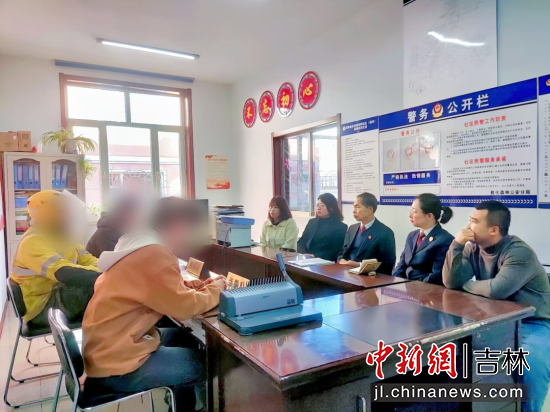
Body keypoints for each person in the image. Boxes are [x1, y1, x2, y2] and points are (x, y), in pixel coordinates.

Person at [82, 197, 227, 411]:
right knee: (213, 362)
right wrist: (219, 288)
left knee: (183, 336)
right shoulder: (153, 253)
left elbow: (162, 288)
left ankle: (182, 404)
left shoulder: (136, 244)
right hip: (119, 364)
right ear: (175, 224)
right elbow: (186, 307)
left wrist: (201, 286)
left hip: (105, 349)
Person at [442, 201, 550, 412]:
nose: (468, 226)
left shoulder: (519, 252)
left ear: (493, 229)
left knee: (529, 365)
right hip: (495, 319)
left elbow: (497, 290)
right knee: (461, 356)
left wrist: (466, 285)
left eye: (474, 221)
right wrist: (456, 245)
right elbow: (451, 281)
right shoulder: (473, 247)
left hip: (533, 322)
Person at [10, 190, 101, 327]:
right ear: (48, 213)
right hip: (42, 307)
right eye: (63, 210)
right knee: (99, 289)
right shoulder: (33, 241)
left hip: (57, 292)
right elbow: (64, 272)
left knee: (105, 288)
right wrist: (106, 276)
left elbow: (86, 258)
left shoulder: (60, 235)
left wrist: (107, 268)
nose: (68, 215)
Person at [392, 194, 454, 285]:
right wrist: (395, 283)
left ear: (429, 216)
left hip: (426, 289)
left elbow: (436, 277)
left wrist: (412, 286)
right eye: (411, 211)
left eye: (414, 211)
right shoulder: (412, 235)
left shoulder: (445, 240)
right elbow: (402, 265)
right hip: (405, 288)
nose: (410, 215)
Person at [337, 192, 396, 275]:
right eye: (354, 207)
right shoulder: (352, 228)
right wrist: (341, 260)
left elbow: (388, 265)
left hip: (369, 277)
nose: (354, 211)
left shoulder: (385, 233)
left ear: (370, 209)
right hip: (346, 272)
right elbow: (343, 251)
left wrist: (359, 265)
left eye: (357, 207)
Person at [297, 193, 347, 262]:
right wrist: (303, 253)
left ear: (331, 207)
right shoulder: (312, 222)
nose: (318, 208)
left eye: (322, 205)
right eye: (317, 205)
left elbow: (335, 250)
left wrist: (315, 255)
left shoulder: (340, 226)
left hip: (325, 261)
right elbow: (302, 241)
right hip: (306, 258)